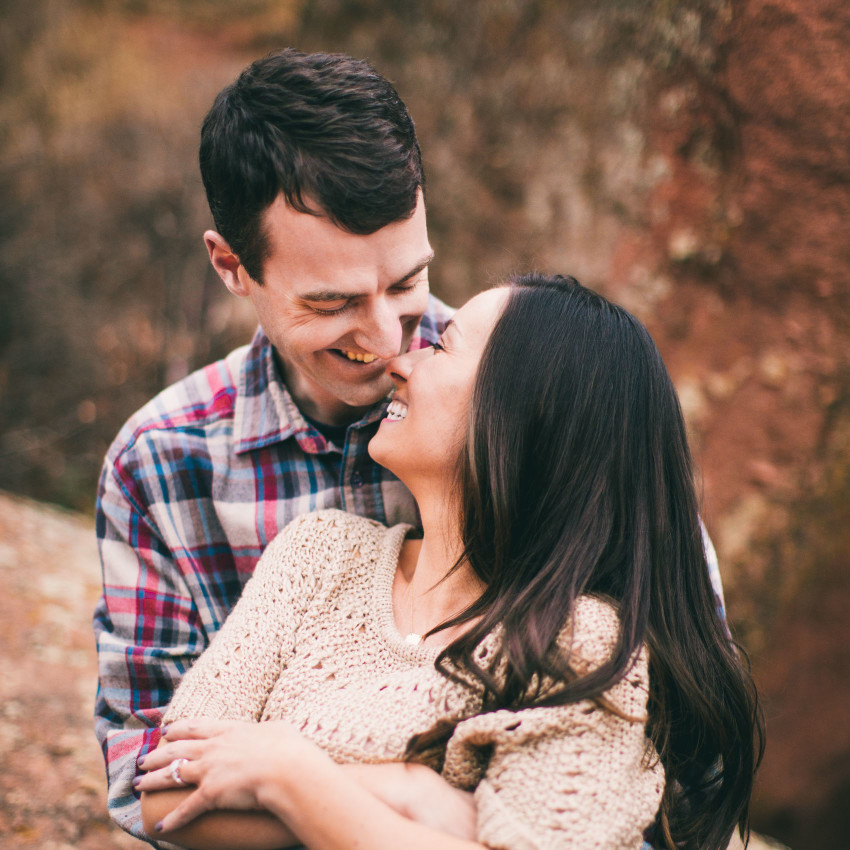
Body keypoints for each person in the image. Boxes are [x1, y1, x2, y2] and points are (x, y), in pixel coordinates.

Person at [93, 48, 728, 845]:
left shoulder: (549, 408)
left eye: (404, 284)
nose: (389, 340)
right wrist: (423, 806)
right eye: (332, 302)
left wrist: (293, 774)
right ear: (232, 266)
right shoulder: (162, 465)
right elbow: (151, 779)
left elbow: (675, 759)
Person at [134, 275, 763, 850]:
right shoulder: (317, 556)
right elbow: (166, 797)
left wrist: (288, 774)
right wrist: (408, 797)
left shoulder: (583, 642)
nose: (400, 364)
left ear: (521, 413)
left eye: (442, 346)